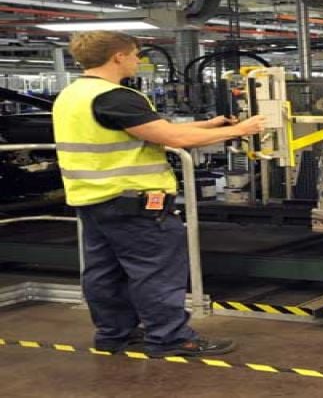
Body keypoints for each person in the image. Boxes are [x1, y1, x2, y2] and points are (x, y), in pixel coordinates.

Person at [52, 31, 267, 357]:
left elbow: (154, 129)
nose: (138, 61)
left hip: (93, 199)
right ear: (118, 57)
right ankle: (170, 338)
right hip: (134, 203)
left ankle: (114, 335)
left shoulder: (73, 94)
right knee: (155, 272)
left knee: (104, 272)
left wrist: (211, 125)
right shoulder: (115, 96)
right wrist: (241, 130)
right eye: (135, 55)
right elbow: (172, 138)